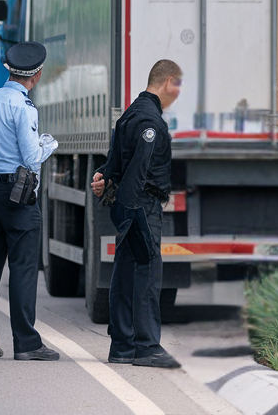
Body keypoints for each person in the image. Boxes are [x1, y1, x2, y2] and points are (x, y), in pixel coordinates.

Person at [0, 42, 59, 361]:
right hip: (18, 193)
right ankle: (27, 343)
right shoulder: (24, 106)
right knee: (23, 267)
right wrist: (49, 144)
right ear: (37, 75)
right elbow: (31, 158)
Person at [91, 59, 183, 369]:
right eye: (177, 85)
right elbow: (140, 168)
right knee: (147, 275)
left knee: (126, 272)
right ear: (167, 82)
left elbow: (114, 163)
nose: (177, 93)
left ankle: (122, 346)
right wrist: (132, 211)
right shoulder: (150, 122)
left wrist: (103, 177)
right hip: (142, 205)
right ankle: (147, 347)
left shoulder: (128, 115)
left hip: (130, 204)